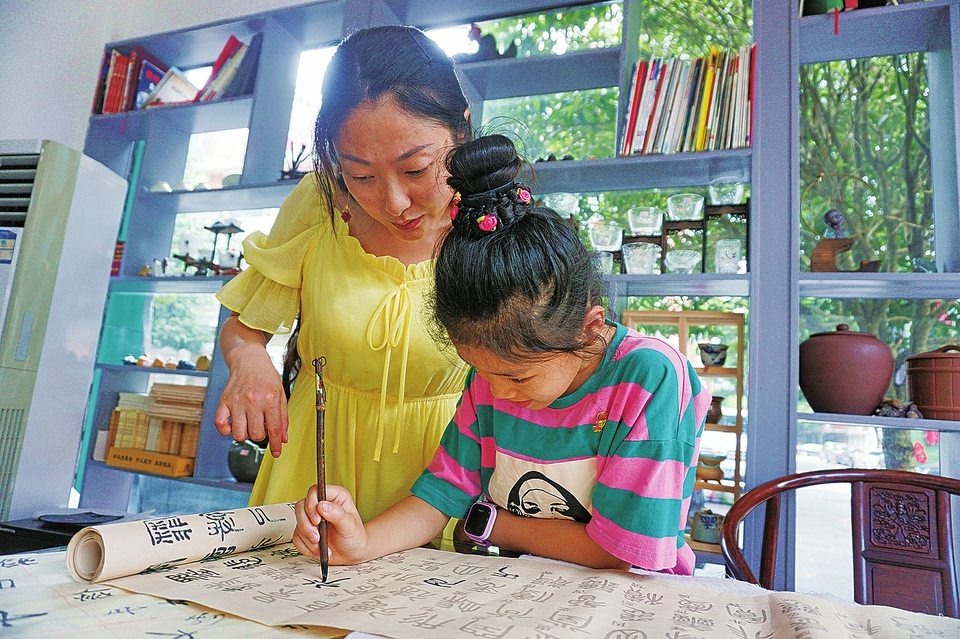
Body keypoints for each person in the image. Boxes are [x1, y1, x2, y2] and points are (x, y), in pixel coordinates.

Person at [293, 134, 711, 573]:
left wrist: (493, 524)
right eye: (480, 372)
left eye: (516, 377)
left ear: (588, 329)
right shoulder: (492, 378)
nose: (496, 393)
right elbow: (438, 497)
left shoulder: (649, 378)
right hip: (515, 590)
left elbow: (622, 551)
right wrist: (362, 542)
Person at [214, 25, 473, 522]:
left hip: (440, 485)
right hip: (313, 470)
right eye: (362, 176)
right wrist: (249, 360)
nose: (393, 203)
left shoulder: (490, 216)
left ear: (460, 128)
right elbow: (246, 329)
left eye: (416, 170)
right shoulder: (319, 203)